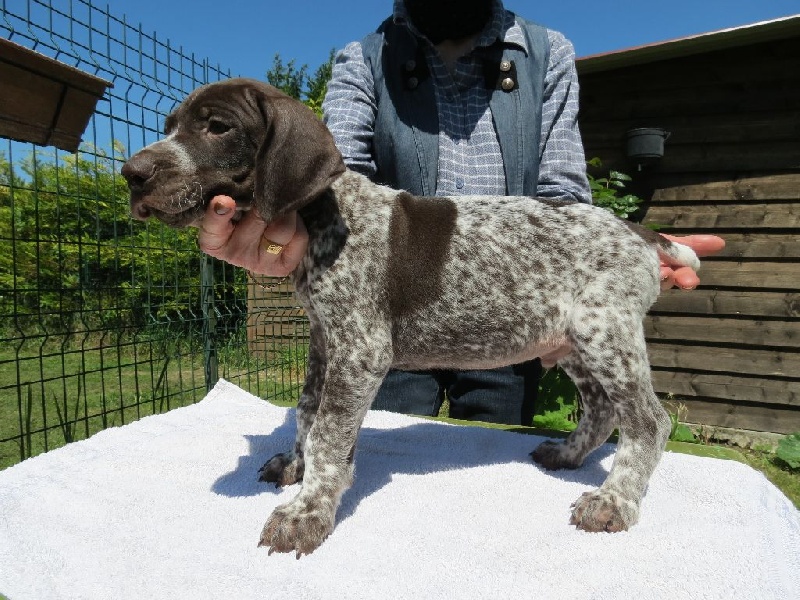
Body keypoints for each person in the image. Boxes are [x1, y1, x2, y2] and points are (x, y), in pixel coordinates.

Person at [197, 0, 725, 425]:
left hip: (509, 303)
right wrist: (281, 233)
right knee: (388, 456)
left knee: (489, 471)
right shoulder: (363, 59)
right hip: (389, 303)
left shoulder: (547, 52)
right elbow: (338, 182)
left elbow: (562, 190)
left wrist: (591, 272)